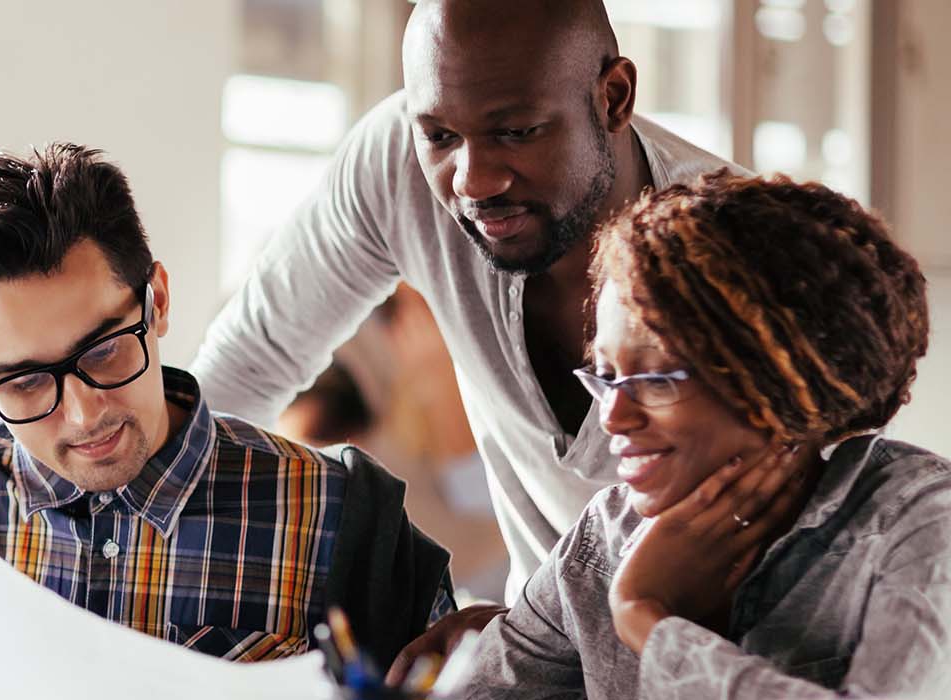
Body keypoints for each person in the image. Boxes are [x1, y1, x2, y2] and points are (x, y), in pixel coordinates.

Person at [0, 144, 454, 699]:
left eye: (106, 350)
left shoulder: (345, 520)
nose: (84, 413)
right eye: (22, 382)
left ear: (159, 300)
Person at [191, 0, 744, 665]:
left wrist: (531, 633)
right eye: (440, 135)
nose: (472, 180)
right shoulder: (396, 165)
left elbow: (798, 571)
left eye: (517, 131)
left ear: (613, 97)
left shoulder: (744, 260)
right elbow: (240, 375)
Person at [451, 172, 947, 697]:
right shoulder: (605, 537)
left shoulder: (921, 526)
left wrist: (647, 619)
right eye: (607, 377)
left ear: (779, 381)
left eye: (657, 378)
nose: (612, 419)